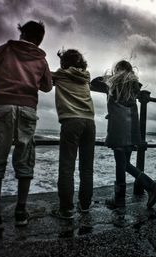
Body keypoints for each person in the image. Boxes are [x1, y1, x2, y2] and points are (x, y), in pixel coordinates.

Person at [0, 21, 52, 230]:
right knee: (25, 157)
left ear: (22, 34)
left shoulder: (8, 48)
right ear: (39, 40)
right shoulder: (41, 59)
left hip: (3, 105)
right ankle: (21, 211)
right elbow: (47, 86)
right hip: (28, 109)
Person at [91, 60, 156, 210]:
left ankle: (151, 186)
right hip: (131, 129)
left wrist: (110, 76)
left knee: (121, 163)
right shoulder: (135, 86)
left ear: (118, 70)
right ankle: (120, 199)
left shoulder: (112, 82)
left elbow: (94, 82)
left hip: (118, 128)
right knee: (124, 163)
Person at [51, 49, 95, 219]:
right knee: (87, 167)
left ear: (64, 62)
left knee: (67, 167)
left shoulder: (61, 74)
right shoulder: (87, 76)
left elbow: (45, 77)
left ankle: (66, 209)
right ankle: (84, 206)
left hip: (71, 121)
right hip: (89, 122)